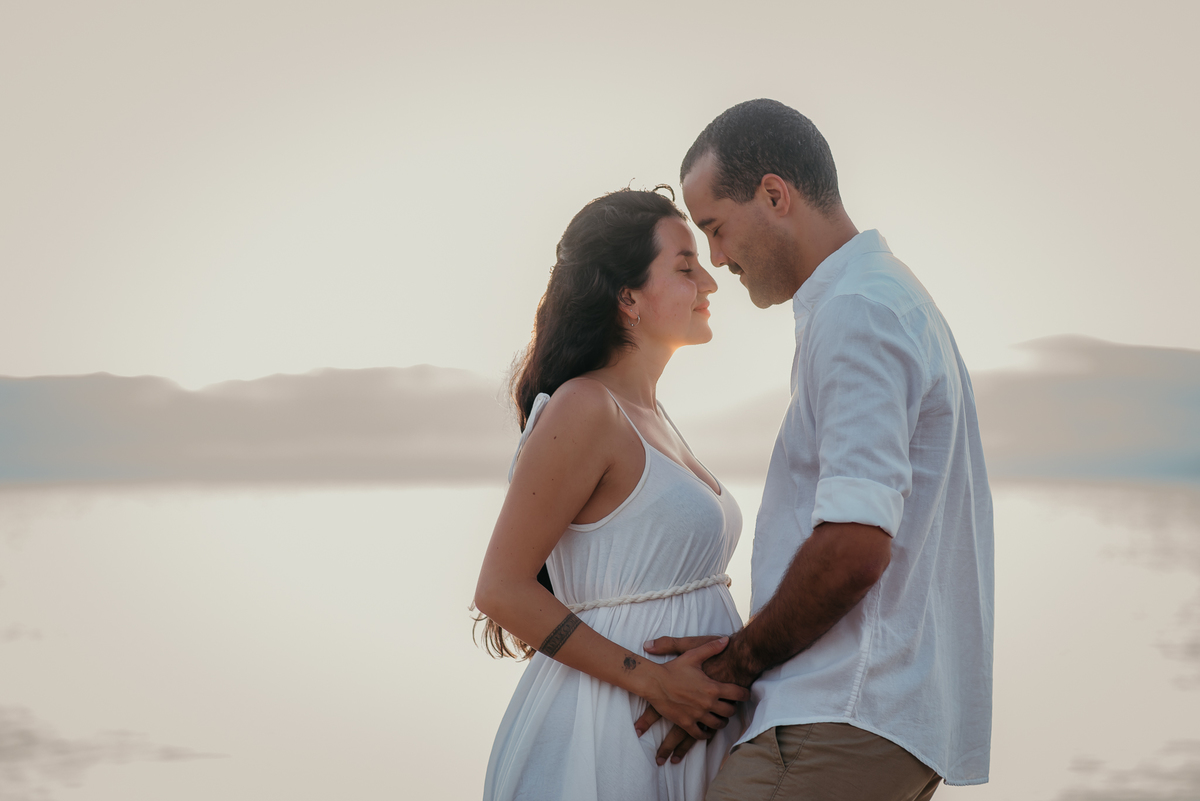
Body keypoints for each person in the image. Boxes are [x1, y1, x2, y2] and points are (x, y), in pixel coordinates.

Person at [636, 99, 995, 799]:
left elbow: (855, 545)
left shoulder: (858, 310)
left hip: (836, 716)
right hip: (872, 719)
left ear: (775, 194)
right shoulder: (887, 298)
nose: (717, 260)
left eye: (716, 227)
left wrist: (735, 663)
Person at [474, 187, 751, 801]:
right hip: (609, 731)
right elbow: (500, 589)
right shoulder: (585, 407)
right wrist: (654, 683)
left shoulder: (651, 413)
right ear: (627, 297)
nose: (709, 282)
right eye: (684, 267)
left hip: (679, 723)